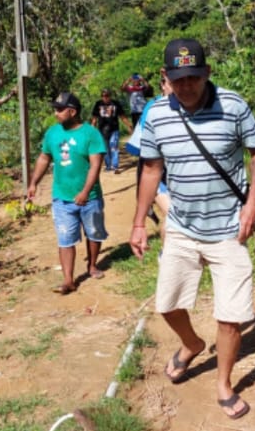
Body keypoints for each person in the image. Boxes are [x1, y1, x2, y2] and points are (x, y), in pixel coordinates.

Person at [131, 38, 255, 421]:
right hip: (181, 226)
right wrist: (140, 221)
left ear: (208, 72)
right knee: (167, 304)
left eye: (194, 76)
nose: (188, 85)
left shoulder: (234, 106)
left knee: (231, 314)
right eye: (179, 78)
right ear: (166, 78)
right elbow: (152, 169)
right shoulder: (156, 114)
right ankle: (191, 343)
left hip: (228, 229)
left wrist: (252, 204)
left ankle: (224, 383)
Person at [26, 91, 107, 294]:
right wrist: (34, 182)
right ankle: (68, 280)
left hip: (90, 197)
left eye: (60, 110)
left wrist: (85, 192)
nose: (56, 113)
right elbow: (44, 158)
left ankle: (92, 266)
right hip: (61, 197)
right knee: (65, 238)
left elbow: (95, 165)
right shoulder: (52, 133)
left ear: (72, 111)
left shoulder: (90, 133)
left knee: (94, 233)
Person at [124, 68, 175, 240]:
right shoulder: (152, 108)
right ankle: (167, 258)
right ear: (163, 85)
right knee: (174, 219)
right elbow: (140, 149)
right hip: (160, 175)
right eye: (172, 83)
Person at [93, 87, 126, 173]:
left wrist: (130, 127)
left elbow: (122, 116)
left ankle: (115, 166)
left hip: (114, 128)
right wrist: (92, 129)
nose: (105, 97)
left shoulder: (116, 104)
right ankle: (108, 166)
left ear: (110, 96)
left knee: (113, 146)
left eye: (107, 95)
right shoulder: (98, 104)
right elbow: (94, 118)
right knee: (105, 149)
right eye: (103, 96)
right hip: (102, 129)